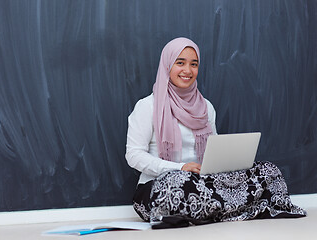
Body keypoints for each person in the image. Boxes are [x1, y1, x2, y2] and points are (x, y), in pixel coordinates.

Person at [125, 37, 306, 225]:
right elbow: (133, 155)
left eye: (194, 64)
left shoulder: (206, 107)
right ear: (167, 65)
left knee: (267, 170)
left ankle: (208, 211)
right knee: (178, 184)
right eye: (180, 63)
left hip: (204, 183)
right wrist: (179, 168)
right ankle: (225, 210)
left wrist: (224, 166)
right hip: (160, 187)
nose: (188, 70)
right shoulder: (148, 106)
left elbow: (213, 150)